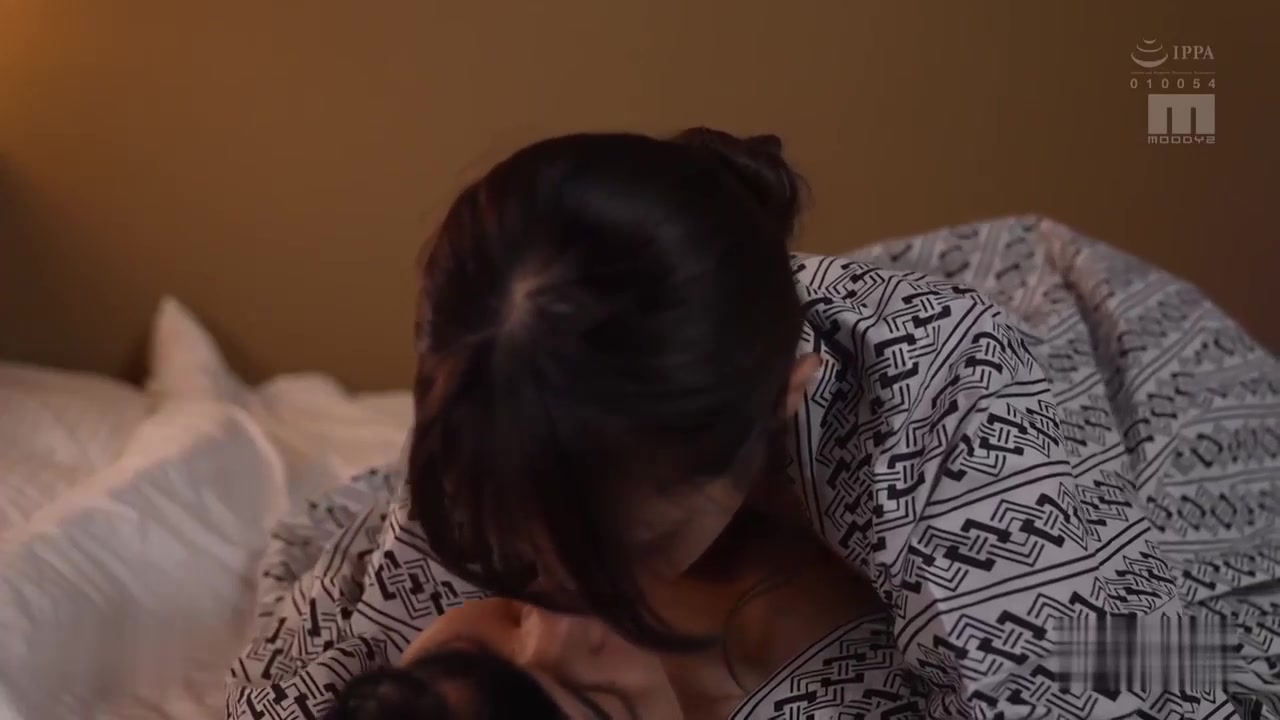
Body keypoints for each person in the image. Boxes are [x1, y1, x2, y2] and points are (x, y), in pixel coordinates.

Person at [228, 128, 1279, 720]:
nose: (558, 610)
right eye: (523, 562)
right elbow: (292, 691)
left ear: (783, 398)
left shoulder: (950, 411)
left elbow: (1133, 692)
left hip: (1104, 362)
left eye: (616, 552)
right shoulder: (497, 415)